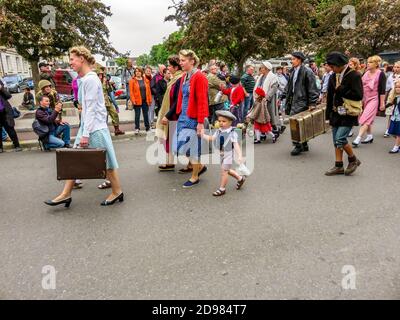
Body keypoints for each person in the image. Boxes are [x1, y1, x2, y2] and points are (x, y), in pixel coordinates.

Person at [45, 46, 123, 208]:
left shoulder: (91, 80)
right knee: (75, 160)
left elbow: (92, 109)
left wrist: (86, 133)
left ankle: (117, 191)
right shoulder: (85, 79)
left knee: (107, 161)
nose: (70, 62)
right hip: (88, 126)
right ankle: (66, 194)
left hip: (95, 128)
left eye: (72, 59)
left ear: (82, 58)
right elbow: (85, 107)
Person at [172, 49, 209, 188]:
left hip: (193, 118)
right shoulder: (184, 76)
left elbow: (202, 101)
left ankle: (195, 176)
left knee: (192, 148)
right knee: (178, 147)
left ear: (192, 61)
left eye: (183, 60)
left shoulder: (199, 77)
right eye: (180, 60)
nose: (180, 63)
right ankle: (201, 166)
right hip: (183, 116)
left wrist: (200, 123)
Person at [325, 52, 363, 176]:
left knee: (340, 139)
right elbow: (330, 96)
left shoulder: (354, 75)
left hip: (349, 112)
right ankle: (338, 165)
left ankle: (353, 159)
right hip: (336, 112)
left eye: (333, 66)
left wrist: (342, 90)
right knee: (336, 141)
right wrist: (328, 115)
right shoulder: (332, 76)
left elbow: (358, 95)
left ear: (340, 64)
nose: (331, 69)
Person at [282, 52, 319, 156]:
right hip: (293, 100)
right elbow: (290, 86)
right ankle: (304, 144)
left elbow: (313, 88)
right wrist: (283, 95)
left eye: (293, 59)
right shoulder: (293, 71)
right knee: (299, 123)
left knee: (295, 123)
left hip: (302, 101)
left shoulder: (307, 71)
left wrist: (312, 103)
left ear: (299, 60)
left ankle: (297, 145)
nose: (291, 61)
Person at [201, 110, 246, 197]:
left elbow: (236, 145)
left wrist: (240, 155)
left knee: (224, 171)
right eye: (219, 121)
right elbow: (212, 138)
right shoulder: (219, 131)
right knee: (227, 170)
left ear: (230, 122)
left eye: (224, 121)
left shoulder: (232, 132)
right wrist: (203, 135)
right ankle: (240, 178)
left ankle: (222, 189)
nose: (221, 123)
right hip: (222, 154)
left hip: (228, 154)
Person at [156, 55, 184, 171]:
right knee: (169, 139)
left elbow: (178, 100)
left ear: (176, 67)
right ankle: (170, 162)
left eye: (169, 65)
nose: (167, 68)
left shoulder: (179, 79)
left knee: (173, 139)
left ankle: (193, 164)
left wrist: (167, 115)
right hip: (171, 113)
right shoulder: (174, 79)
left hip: (174, 114)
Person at [352, 55, 386, 147]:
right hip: (365, 98)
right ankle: (370, 136)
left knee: (365, 118)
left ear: (376, 64)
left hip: (374, 99)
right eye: (368, 62)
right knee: (368, 118)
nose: (368, 64)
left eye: (370, 62)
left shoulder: (380, 74)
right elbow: (360, 85)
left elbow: (382, 90)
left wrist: (382, 103)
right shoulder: (366, 73)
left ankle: (358, 138)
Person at [253, 61, 280, 137]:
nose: (260, 69)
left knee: (270, 116)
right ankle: (262, 132)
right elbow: (258, 86)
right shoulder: (260, 77)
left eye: (262, 67)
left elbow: (274, 88)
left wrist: (267, 97)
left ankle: (275, 130)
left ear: (267, 69)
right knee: (261, 116)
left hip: (268, 100)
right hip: (260, 99)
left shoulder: (273, 77)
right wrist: (256, 95)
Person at [97, 67, 125, 136]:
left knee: (114, 114)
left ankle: (117, 129)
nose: (101, 75)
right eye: (99, 74)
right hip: (99, 102)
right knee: (103, 117)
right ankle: (104, 132)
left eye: (102, 74)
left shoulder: (105, 81)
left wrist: (116, 105)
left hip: (107, 101)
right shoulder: (95, 82)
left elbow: (110, 92)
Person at [0, 79, 22, 153]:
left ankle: (17, 145)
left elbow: (8, 96)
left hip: (4, 112)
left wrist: (1, 89)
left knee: (10, 129)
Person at [129, 67, 152, 134]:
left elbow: (149, 91)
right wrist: (133, 100)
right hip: (137, 101)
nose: (137, 72)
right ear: (135, 73)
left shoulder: (146, 80)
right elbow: (131, 92)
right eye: (136, 71)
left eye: (139, 71)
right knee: (137, 115)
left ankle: (147, 127)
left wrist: (150, 100)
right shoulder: (132, 81)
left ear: (141, 72)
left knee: (146, 115)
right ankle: (137, 128)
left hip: (145, 100)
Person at [384, 61, 400, 137]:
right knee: (391, 114)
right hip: (392, 97)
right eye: (395, 67)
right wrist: (385, 99)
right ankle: (388, 129)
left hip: (399, 97)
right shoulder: (391, 76)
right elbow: (387, 88)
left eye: (398, 67)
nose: (396, 69)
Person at [386, 81, 400, 153]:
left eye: (399, 87)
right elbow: (390, 103)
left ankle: (396, 147)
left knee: (398, 133)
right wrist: (383, 107)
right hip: (395, 116)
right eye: (396, 87)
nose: (397, 89)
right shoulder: (396, 97)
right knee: (392, 132)